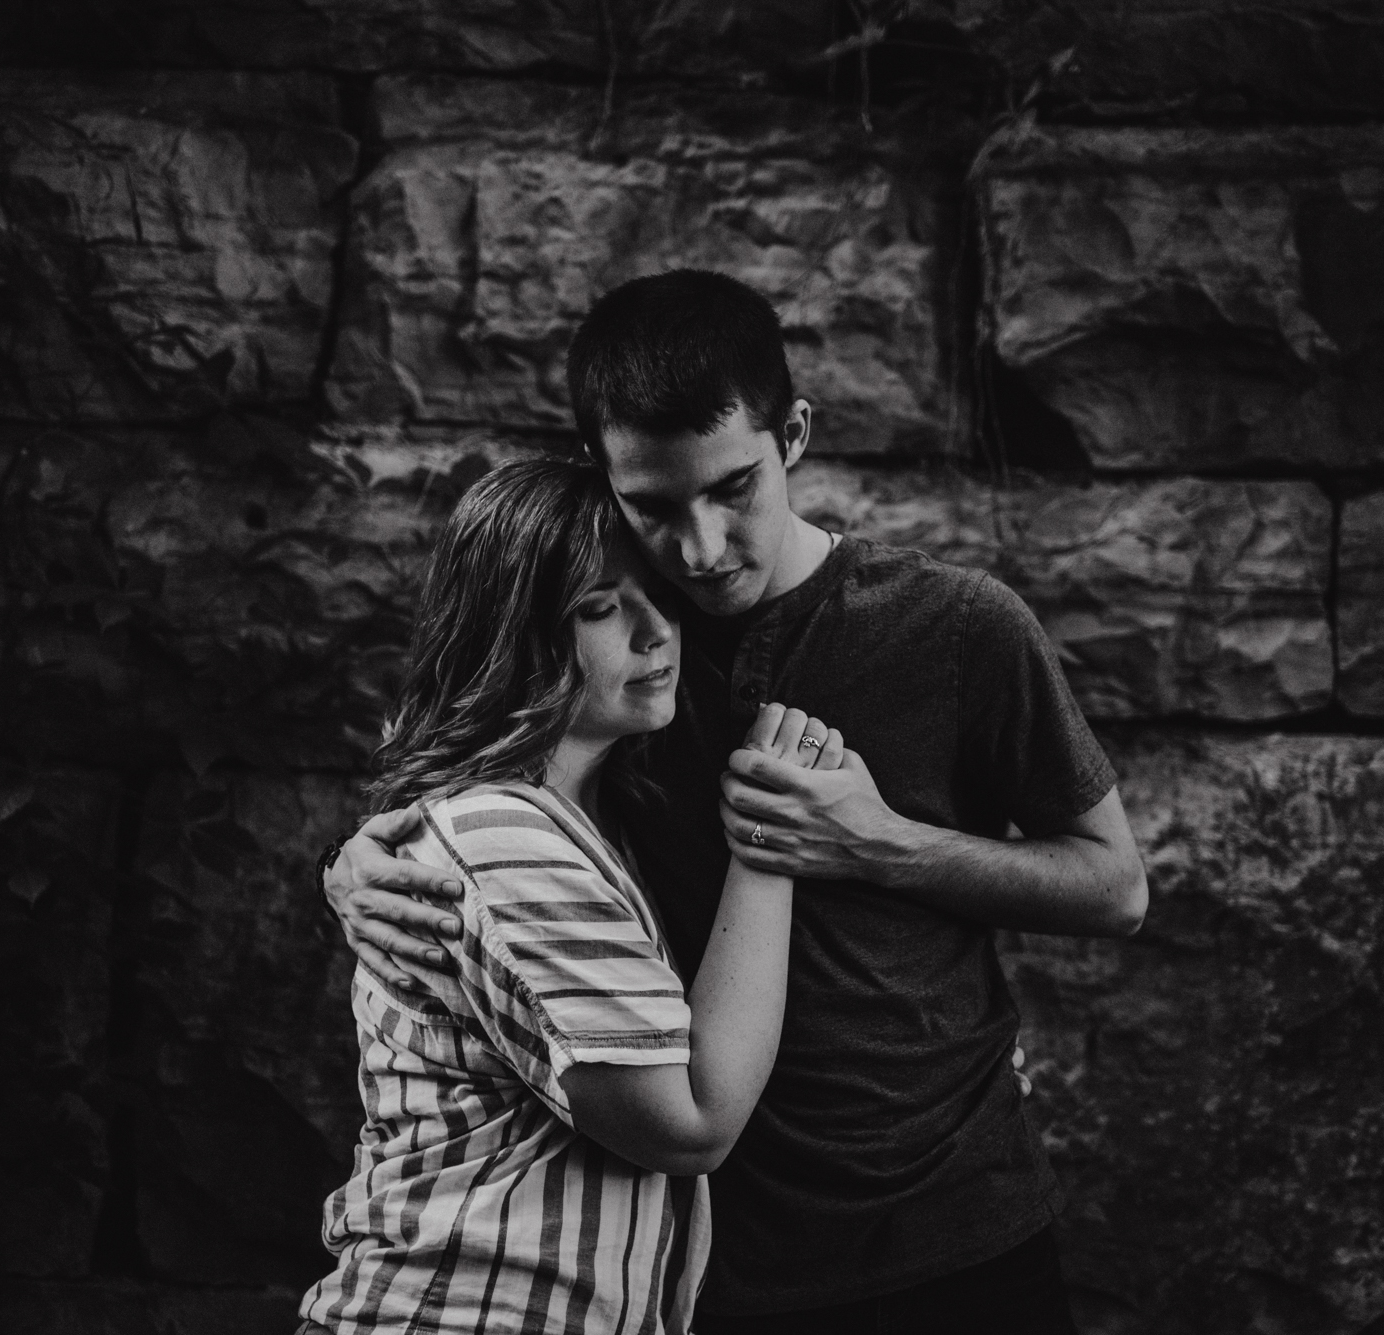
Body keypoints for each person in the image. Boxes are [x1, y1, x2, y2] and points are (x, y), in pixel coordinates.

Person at [323, 270, 1150, 1333]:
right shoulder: (607, 645)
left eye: (733, 489)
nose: (701, 550)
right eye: (654, 507)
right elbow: (480, 779)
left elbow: (1114, 885)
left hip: (954, 1225)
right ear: (602, 477)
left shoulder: (955, 625)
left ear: (793, 435)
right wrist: (358, 861)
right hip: (702, 1259)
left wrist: (875, 842)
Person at [298, 456, 843, 1335]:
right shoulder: (505, 837)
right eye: (598, 608)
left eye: (656, 591)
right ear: (512, 636)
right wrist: (770, 834)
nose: (656, 630)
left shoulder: (611, 809)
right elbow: (689, 1123)